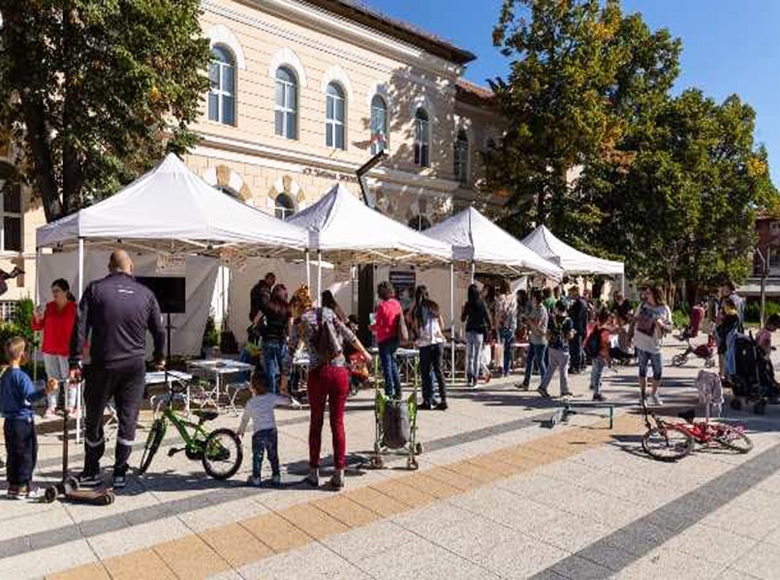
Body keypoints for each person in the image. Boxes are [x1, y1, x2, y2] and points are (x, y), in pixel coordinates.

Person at [69, 250, 165, 489]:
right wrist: (159, 357)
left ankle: (92, 470)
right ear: (130, 266)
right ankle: (120, 472)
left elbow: (79, 326)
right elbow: (159, 331)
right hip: (134, 366)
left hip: (103, 364)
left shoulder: (94, 289)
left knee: (94, 417)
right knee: (128, 418)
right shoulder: (146, 294)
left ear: (109, 266)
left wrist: (75, 361)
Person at [292, 301, 371, 490]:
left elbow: (290, 350)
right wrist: (365, 353)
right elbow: (348, 334)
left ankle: (313, 472)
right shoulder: (328, 312)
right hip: (339, 373)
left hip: (317, 374)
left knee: (316, 422)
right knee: (337, 423)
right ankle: (339, 472)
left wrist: (285, 380)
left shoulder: (299, 322)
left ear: (297, 306)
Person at [1, 337, 55, 499]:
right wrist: (47, 390)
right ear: (23, 355)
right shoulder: (22, 377)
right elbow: (31, 397)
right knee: (27, 453)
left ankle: (13, 485)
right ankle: (24, 486)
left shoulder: (4, 375)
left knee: (12, 453)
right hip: (23, 422)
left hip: (9, 422)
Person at [238, 369, 300, 487]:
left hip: (259, 434)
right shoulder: (271, 397)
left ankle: (256, 478)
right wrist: (290, 397)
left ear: (253, 387)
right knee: (273, 455)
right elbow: (286, 401)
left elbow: (245, 419)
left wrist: (241, 431)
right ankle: (276, 476)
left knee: (257, 456)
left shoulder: (251, 402)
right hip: (272, 432)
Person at [31, 279, 77, 418]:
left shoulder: (74, 308)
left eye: (57, 291)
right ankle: (52, 406)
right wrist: (37, 317)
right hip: (49, 349)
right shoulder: (48, 307)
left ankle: (70, 407)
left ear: (66, 291)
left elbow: (81, 331)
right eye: (53, 291)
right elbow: (36, 327)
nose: (54, 294)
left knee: (69, 380)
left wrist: (83, 348)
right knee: (52, 379)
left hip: (67, 350)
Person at [632, 285, 672, 406]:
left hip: (655, 344)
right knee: (642, 370)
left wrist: (660, 324)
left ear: (655, 294)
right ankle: (643, 396)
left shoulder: (664, 309)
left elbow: (670, 328)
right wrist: (629, 337)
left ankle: (654, 394)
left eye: (648, 293)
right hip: (641, 342)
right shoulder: (642, 305)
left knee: (658, 371)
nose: (646, 295)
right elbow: (634, 320)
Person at [411, 286, 447, 410]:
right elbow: (442, 324)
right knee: (439, 371)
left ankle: (427, 401)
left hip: (425, 344)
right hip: (438, 342)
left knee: (425, 373)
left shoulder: (417, 309)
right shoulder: (434, 306)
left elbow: (416, 327)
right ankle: (444, 400)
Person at [371, 282, 403, 398]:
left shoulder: (382, 306)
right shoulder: (397, 304)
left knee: (387, 367)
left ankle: (389, 392)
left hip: (384, 339)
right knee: (393, 365)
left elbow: (378, 324)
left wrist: (371, 327)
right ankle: (398, 391)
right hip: (395, 338)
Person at [537, 301, 574, 398]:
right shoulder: (568, 321)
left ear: (557, 308)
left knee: (550, 368)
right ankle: (564, 390)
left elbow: (548, 334)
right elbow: (569, 335)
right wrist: (572, 334)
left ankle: (543, 386)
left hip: (552, 348)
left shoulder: (552, 319)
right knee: (563, 370)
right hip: (563, 349)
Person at [260, 284, 292, 395]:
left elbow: (256, 320)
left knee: (270, 370)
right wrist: (288, 337)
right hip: (280, 341)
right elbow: (289, 326)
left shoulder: (267, 305)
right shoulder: (288, 308)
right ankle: (285, 392)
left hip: (267, 339)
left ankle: (271, 394)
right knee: (284, 368)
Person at [461, 284, 491, 389]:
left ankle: (469, 377)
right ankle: (475, 379)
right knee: (477, 356)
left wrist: (463, 310)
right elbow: (487, 317)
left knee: (469, 355)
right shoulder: (482, 303)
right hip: (479, 332)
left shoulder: (468, 304)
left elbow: (462, 319)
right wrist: (489, 327)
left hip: (469, 331)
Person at [519, 290, 548, 391]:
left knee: (540, 362)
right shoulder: (535, 308)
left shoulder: (541, 310)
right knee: (529, 360)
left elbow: (536, 324)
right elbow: (530, 320)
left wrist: (529, 321)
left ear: (536, 298)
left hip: (540, 340)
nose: (531, 300)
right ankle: (526, 383)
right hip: (533, 339)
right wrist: (525, 319)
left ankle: (544, 384)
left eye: (532, 297)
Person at [495, 280, 518, 378]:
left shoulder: (501, 298)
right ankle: (507, 370)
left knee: (500, 348)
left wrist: (496, 323)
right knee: (508, 349)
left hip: (502, 326)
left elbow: (499, 312)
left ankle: (501, 370)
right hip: (511, 326)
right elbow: (515, 312)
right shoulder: (513, 298)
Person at [589, 309, 612, 402]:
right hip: (601, 354)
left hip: (594, 352)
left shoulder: (595, 327)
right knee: (598, 373)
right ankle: (597, 393)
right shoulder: (605, 331)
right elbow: (605, 345)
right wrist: (608, 358)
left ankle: (593, 384)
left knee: (594, 370)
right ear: (607, 319)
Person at [248, 272, 276, 342]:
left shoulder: (257, 287)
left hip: (256, 315)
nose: (273, 283)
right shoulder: (264, 289)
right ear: (268, 279)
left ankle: (252, 349)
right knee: (260, 335)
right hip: (260, 316)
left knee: (255, 334)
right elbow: (264, 305)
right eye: (272, 280)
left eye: (274, 281)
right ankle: (255, 350)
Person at [568, 286, 589, 373]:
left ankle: (577, 366)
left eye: (571, 293)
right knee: (575, 348)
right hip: (577, 329)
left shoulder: (580, 303)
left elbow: (579, 318)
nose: (569, 295)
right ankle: (576, 365)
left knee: (577, 349)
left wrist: (575, 328)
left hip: (578, 329)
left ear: (575, 292)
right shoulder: (578, 302)